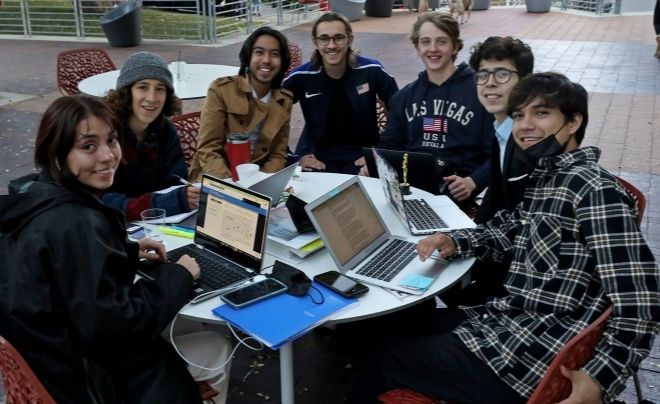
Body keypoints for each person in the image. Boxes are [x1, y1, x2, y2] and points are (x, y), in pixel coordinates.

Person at [348, 72, 659, 403]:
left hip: (523, 356)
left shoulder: (593, 190)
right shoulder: (550, 176)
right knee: (393, 325)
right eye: (519, 115)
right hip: (505, 321)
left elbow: (641, 303)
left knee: (385, 358)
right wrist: (456, 241)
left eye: (541, 113)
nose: (525, 126)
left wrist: (600, 378)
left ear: (572, 122)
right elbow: (511, 228)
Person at [0, 96, 204, 403]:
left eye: (112, 140)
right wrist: (179, 275)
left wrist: (126, 250)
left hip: (51, 365)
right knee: (214, 347)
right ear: (57, 153)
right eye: (88, 146)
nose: (108, 156)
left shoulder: (36, 196)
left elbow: (60, 269)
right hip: (91, 384)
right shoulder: (75, 223)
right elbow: (117, 327)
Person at [438, 36, 534, 306]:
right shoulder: (500, 131)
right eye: (483, 74)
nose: (490, 82)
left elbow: (522, 228)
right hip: (493, 251)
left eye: (502, 74)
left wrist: (465, 244)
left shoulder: (528, 146)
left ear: (525, 81)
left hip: (512, 287)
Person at [377, 12, 493, 210]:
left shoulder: (482, 91)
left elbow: (499, 153)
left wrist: (474, 181)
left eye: (441, 41)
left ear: (455, 46)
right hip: (411, 191)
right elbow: (388, 147)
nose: (433, 49)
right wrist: (373, 162)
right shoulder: (404, 97)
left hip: (456, 193)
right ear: (417, 47)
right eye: (425, 42)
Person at [282, 12, 399, 174]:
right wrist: (294, 158)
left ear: (349, 40)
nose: (331, 45)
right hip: (316, 156)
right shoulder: (302, 76)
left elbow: (400, 112)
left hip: (362, 155)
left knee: (360, 195)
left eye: (338, 37)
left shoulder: (372, 71)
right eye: (324, 38)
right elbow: (272, 114)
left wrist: (380, 152)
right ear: (315, 42)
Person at [102, 51, 199, 222]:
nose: (152, 98)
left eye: (160, 89)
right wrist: (165, 203)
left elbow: (175, 181)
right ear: (126, 91)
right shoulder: (106, 132)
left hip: (159, 227)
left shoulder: (165, 130)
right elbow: (100, 200)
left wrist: (187, 195)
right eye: (142, 87)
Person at [188, 26, 293, 182]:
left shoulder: (284, 100)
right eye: (259, 52)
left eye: (274, 54)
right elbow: (208, 149)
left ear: (282, 61)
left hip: (258, 180)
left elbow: (278, 154)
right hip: (216, 177)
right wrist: (233, 188)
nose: (266, 60)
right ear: (248, 56)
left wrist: (261, 183)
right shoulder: (221, 90)